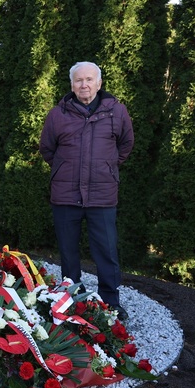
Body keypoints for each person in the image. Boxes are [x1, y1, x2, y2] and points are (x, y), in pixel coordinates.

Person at [39, 61, 134, 319]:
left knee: (106, 251)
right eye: (79, 80)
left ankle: (110, 303)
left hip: (102, 196)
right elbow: (47, 149)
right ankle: (71, 298)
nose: (84, 85)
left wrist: (107, 166)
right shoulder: (57, 114)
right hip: (65, 195)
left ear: (99, 83)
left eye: (89, 79)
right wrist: (63, 168)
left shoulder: (116, 111)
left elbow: (126, 145)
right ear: (72, 85)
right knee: (68, 252)